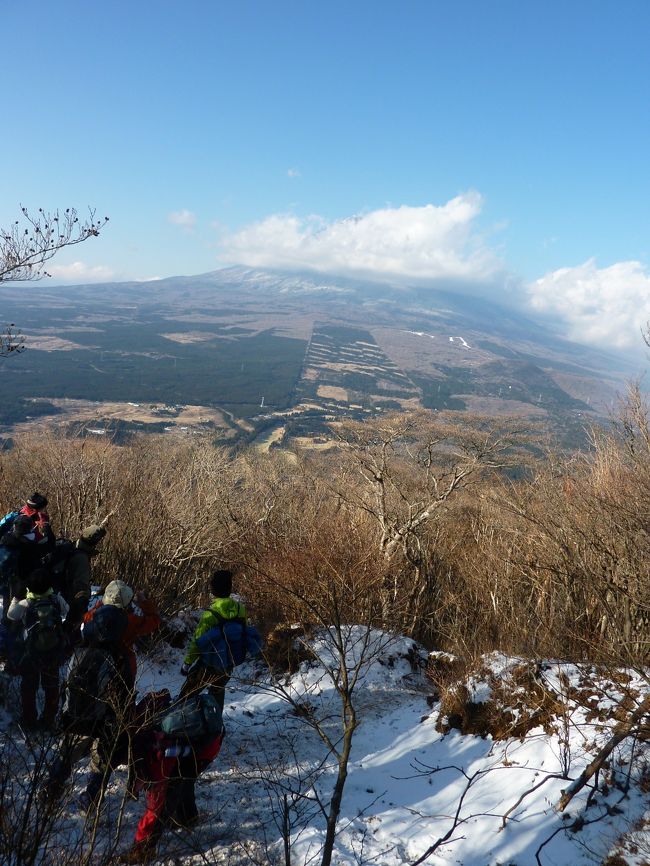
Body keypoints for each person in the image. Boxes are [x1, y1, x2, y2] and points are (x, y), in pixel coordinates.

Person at [44, 604, 134, 807]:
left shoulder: (81, 649)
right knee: (100, 762)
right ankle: (90, 801)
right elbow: (124, 693)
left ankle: (50, 789)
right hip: (104, 723)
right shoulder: (120, 657)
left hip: (75, 717)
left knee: (66, 755)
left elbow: (67, 682)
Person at [122, 694, 225, 864]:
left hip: (205, 748)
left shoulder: (156, 760)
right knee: (182, 779)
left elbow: (154, 811)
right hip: (209, 739)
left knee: (165, 801)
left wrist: (139, 844)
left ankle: (144, 850)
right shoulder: (150, 734)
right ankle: (187, 817)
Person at [6, 567, 69, 731]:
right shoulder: (55, 600)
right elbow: (66, 611)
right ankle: (48, 720)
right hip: (53, 652)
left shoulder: (26, 603)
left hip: (31, 653)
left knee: (29, 687)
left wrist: (16, 597)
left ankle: (29, 720)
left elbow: (11, 615)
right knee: (52, 687)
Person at [178, 569, 247, 712]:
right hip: (228, 663)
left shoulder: (211, 614)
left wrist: (187, 664)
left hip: (208, 663)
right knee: (217, 692)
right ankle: (215, 726)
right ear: (229, 588)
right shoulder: (240, 610)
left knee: (187, 695)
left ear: (213, 590)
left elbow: (197, 642)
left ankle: (180, 725)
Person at [84, 579, 161, 680]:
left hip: (90, 665)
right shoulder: (130, 621)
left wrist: (98, 606)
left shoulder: (92, 615)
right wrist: (144, 601)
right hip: (122, 670)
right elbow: (155, 621)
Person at [62, 524, 107, 638]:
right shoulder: (82, 559)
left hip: (64, 597)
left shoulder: (74, 546)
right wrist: (80, 609)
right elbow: (80, 587)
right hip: (73, 601)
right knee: (71, 632)